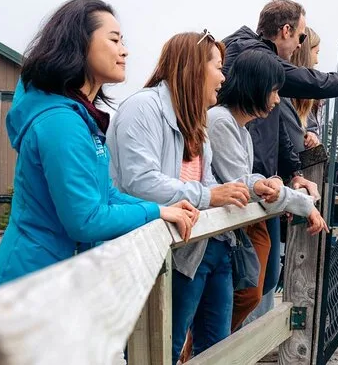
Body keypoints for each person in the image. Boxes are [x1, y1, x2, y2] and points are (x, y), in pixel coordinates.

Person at [0, 0, 197, 287]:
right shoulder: (61, 122)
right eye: (114, 40)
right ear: (79, 44)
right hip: (30, 283)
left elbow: (106, 194)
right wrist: (156, 211)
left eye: (123, 41)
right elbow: (86, 219)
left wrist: (164, 207)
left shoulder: (81, 117)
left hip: (55, 277)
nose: (124, 50)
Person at [107, 31, 268, 363]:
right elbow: (140, 181)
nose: (223, 78)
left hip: (203, 244)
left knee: (217, 348)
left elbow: (208, 183)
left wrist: (252, 187)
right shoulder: (142, 107)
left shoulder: (197, 122)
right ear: (194, 67)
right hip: (163, 254)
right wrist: (209, 196)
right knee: (161, 345)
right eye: (218, 68)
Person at [221, 0, 338, 321]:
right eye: (302, 37)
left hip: (264, 185)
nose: (301, 46)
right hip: (246, 188)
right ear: (286, 31)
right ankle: (223, 343)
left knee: (264, 279)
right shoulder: (254, 56)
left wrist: (294, 172)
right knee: (245, 284)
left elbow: (278, 125)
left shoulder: (260, 62)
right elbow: (307, 83)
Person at [207, 49, 329, 329]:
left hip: (235, 227)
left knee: (249, 293)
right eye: (274, 91)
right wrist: (302, 203)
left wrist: (275, 183)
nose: (276, 100)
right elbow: (246, 185)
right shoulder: (221, 122)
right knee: (243, 295)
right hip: (222, 232)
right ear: (256, 87)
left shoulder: (239, 127)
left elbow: (250, 182)